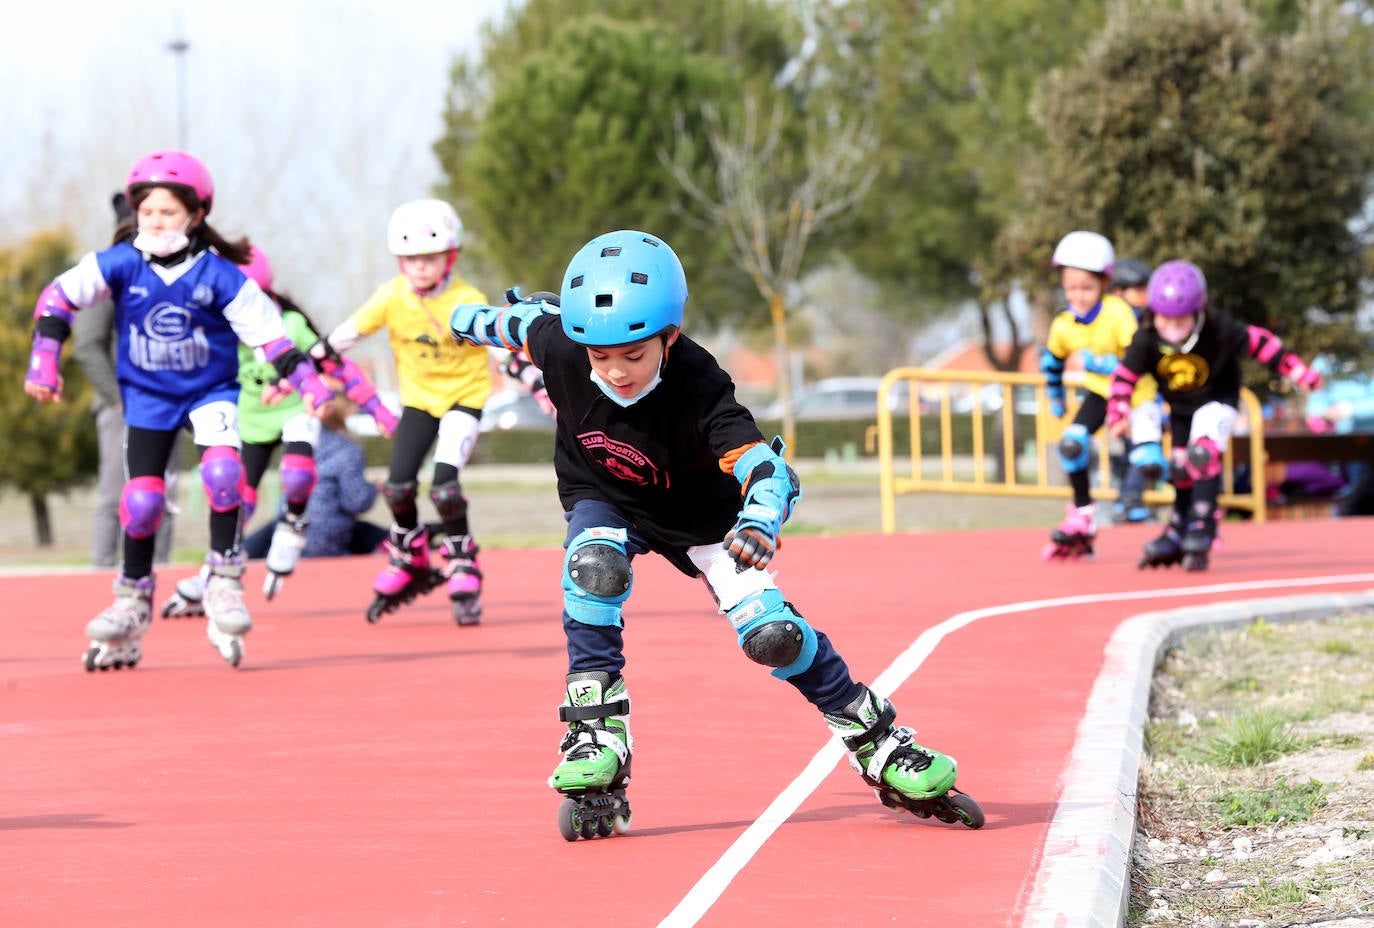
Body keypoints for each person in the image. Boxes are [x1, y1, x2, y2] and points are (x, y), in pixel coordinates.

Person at [448, 230, 982, 840]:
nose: (616, 372)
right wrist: (464, 320)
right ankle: (595, 732)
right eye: (601, 357)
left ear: (669, 338)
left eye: (634, 354)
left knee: (774, 636)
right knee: (594, 567)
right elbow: (516, 323)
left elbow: (763, 465)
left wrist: (760, 517)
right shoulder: (564, 346)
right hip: (606, 498)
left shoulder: (701, 383)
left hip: (704, 517)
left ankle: (878, 742)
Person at [24, 149, 335, 670]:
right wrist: (45, 358)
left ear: (196, 215)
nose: (154, 222)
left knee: (222, 473)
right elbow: (58, 298)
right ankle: (132, 599)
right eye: (145, 212)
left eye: (166, 212)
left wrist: (308, 384)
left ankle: (224, 579)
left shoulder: (219, 275)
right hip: (147, 396)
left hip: (209, 391)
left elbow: (269, 335)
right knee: (142, 502)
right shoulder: (120, 264)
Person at [159, 245, 396, 614]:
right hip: (251, 424)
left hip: (293, 413)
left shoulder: (290, 325)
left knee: (298, 473)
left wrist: (377, 409)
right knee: (235, 497)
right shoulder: (218, 331)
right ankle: (216, 572)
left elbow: (334, 365)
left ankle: (294, 521)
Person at [313, 198, 498, 626]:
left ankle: (462, 559)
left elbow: (496, 343)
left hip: (463, 399)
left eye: (429, 258)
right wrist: (309, 360)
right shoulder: (392, 296)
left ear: (449, 257)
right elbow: (348, 332)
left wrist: (535, 377)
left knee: (445, 489)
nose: (419, 267)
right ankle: (410, 553)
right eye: (411, 259)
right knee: (397, 488)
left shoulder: (467, 298)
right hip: (419, 401)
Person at [1109, 259, 1323, 570]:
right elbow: (1124, 377)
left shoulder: (1219, 329)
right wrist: (1118, 413)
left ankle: (1203, 522)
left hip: (1218, 399)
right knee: (1181, 468)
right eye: (1164, 321)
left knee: (1202, 454)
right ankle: (1178, 525)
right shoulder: (1146, 337)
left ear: (1198, 311)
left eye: (1180, 322)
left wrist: (1299, 372)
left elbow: (1261, 343)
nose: (1170, 330)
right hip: (1180, 407)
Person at [1040, 232, 1162, 559]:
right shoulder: (1064, 325)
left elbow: (1138, 354)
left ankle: (1189, 513)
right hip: (1100, 393)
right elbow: (1052, 363)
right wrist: (1056, 398)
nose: (1077, 296)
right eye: (1070, 289)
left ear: (1105, 284)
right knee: (1071, 444)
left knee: (1150, 460)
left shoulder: (1117, 312)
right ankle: (1081, 516)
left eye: (1086, 288)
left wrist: (1103, 363)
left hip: (1138, 393)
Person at [72, 193, 178, 567]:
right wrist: (118, 399)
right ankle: (101, 572)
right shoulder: (106, 278)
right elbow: (86, 345)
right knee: (117, 496)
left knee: (162, 495)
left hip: (166, 403)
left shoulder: (168, 277)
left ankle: (158, 572)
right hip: (123, 406)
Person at [242, 390, 388, 559]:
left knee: (269, 531)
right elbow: (356, 501)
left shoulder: (297, 443)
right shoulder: (348, 449)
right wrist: (373, 488)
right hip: (325, 537)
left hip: (289, 526)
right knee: (366, 532)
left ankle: (239, 551)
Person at [1105, 256, 1160, 523]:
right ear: (1118, 292)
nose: (1144, 295)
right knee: (1133, 451)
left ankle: (1128, 499)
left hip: (1144, 396)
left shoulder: (1149, 318)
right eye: (1138, 289)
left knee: (1145, 450)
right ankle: (1127, 499)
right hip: (1119, 398)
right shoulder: (1112, 319)